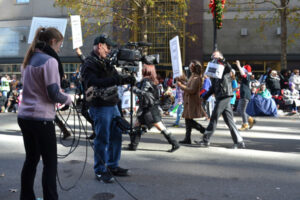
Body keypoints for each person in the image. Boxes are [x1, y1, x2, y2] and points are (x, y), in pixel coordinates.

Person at [17, 27, 72, 200]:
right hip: (41, 118)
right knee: (50, 163)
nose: (59, 49)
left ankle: (26, 197)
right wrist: (69, 99)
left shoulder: (28, 59)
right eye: (59, 45)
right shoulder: (50, 61)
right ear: (52, 42)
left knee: (31, 160)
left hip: (24, 116)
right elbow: (53, 94)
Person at [81, 34, 134, 183]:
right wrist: (116, 79)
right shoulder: (89, 63)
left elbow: (115, 77)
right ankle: (100, 170)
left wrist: (127, 78)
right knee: (102, 138)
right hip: (100, 106)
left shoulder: (106, 62)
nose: (109, 50)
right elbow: (92, 82)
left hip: (112, 104)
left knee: (116, 135)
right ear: (100, 46)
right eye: (108, 47)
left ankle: (112, 165)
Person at [127, 64, 180, 152]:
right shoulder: (151, 80)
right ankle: (133, 145)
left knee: (159, 126)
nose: (142, 70)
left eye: (143, 69)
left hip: (149, 109)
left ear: (146, 71)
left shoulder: (147, 81)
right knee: (137, 125)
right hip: (149, 108)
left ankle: (175, 143)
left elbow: (143, 93)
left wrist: (133, 89)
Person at [198, 50, 245, 149]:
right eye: (212, 56)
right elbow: (213, 88)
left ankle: (206, 140)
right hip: (221, 96)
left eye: (216, 56)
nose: (213, 58)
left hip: (225, 95)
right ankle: (239, 141)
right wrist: (204, 97)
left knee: (214, 117)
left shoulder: (224, 68)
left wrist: (222, 60)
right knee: (229, 121)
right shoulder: (214, 72)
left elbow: (228, 67)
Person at [176, 60, 207, 144]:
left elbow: (192, 90)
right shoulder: (193, 76)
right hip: (188, 101)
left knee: (189, 121)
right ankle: (187, 138)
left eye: (190, 66)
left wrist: (181, 86)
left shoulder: (198, 78)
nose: (189, 68)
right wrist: (182, 82)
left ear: (193, 67)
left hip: (192, 102)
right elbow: (188, 86)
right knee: (187, 120)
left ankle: (204, 131)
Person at [236, 61, 256, 131]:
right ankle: (250, 119)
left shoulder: (247, 76)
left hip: (245, 95)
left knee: (242, 111)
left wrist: (238, 66)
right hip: (244, 95)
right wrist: (237, 88)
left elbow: (243, 74)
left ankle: (245, 124)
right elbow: (245, 85)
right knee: (239, 110)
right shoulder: (247, 77)